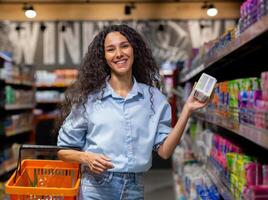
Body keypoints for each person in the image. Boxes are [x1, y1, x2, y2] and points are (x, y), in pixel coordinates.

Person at [57, 24, 209, 200]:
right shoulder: (89, 100)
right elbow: (63, 151)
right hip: (95, 188)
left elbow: (165, 152)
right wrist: (85, 157)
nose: (119, 53)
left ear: (134, 50)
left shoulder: (155, 99)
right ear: (104, 57)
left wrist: (187, 110)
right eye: (111, 49)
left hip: (133, 189)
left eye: (124, 46)